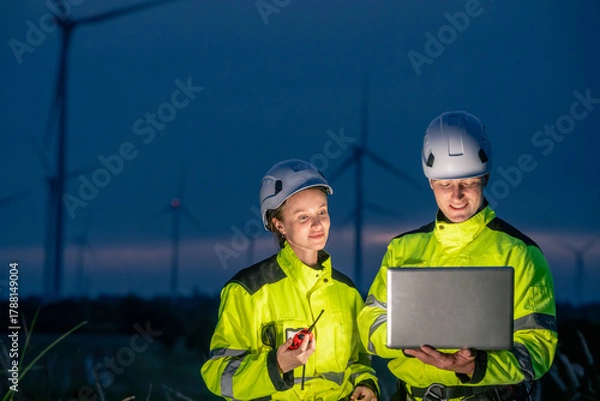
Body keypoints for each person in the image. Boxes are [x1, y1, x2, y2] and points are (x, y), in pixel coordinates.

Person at [357, 111, 558, 401]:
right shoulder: (402, 249)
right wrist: (405, 341)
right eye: (445, 184)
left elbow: (538, 347)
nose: (457, 196)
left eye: (468, 183)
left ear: (486, 176)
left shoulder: (520, 253)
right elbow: (370, 322)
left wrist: (475, 366)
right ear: (430, 181)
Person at [201, 159, 379, 401]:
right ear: (279, 225)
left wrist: (365, 384)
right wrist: (276, 366)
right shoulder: (247, 291)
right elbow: (218, 376)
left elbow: (358, 360)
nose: (317, 224)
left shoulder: (346, 291)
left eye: (322, 212)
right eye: (303, 217)